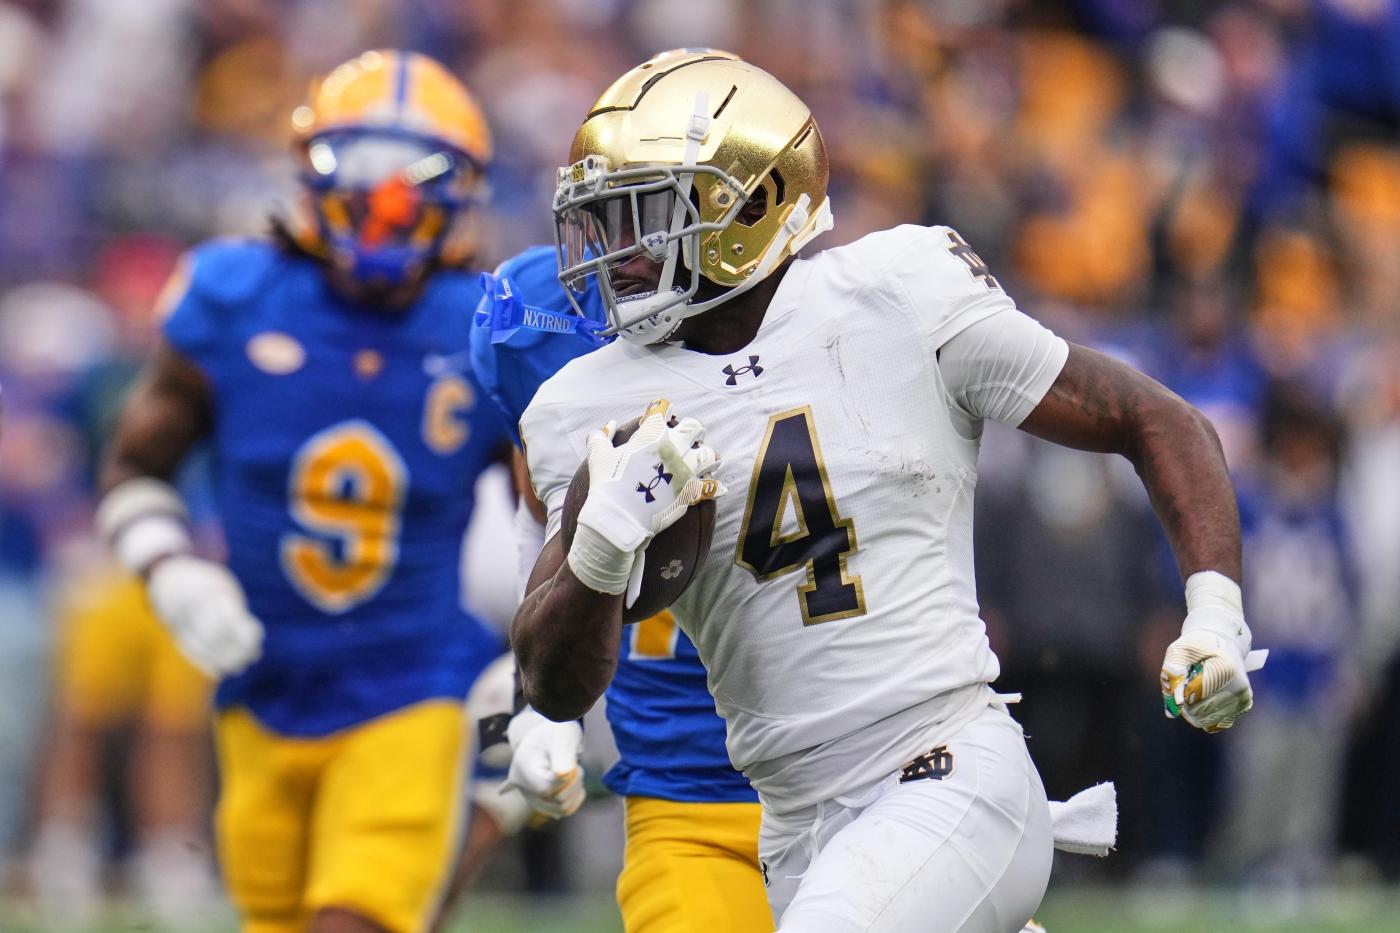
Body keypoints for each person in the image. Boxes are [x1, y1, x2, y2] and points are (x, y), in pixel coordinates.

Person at [511, 49, 1265, 932]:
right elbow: (553, 683)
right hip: (795, 825)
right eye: (603, 220)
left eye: (644, 214)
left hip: (950, 768)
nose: (618, 253)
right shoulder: (585, 405)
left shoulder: (894, 294)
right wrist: (602, 547)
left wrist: (1215, 614)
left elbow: (1153, 419)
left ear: (748, 206)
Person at [96, 50, 524, 933]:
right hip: (260, 691)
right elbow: (135, 466)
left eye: (418, 176)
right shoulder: (232, 300)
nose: (387, 200)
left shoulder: (486, 330)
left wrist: (534, 677)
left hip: (412, 688)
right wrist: (170, 569)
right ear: (310, 172)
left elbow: (557, 520)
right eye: (359, 167)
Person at [470, 247, 772, 932]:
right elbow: (539, 510)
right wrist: (541, 708)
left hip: (844, 752)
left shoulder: (789, 310)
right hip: (683, 774)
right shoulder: (539, 321)